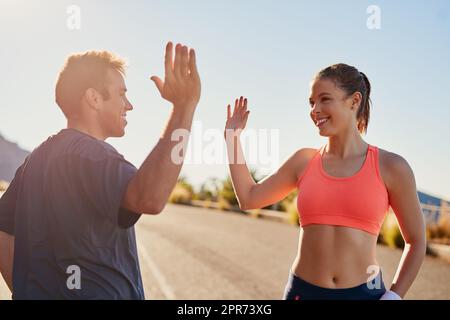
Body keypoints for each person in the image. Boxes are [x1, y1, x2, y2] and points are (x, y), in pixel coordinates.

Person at [0, 41, 201, 299]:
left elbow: (2, 230)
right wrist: (184, 107)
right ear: (94, 98)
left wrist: (28, 291)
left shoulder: (36, 159)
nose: (129, 105)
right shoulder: (92, 155)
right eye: (121, 94)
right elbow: (149, 197)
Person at [224, 63, 426, 300]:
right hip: (303, 293)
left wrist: (394, 296)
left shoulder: (392, 167)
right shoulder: (304, 161)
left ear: (354, 101)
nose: (315, 109)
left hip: (365, 295)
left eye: (324, 99)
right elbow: (249, 198)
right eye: (311, 102)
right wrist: (232, 139)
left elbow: (416, 240)